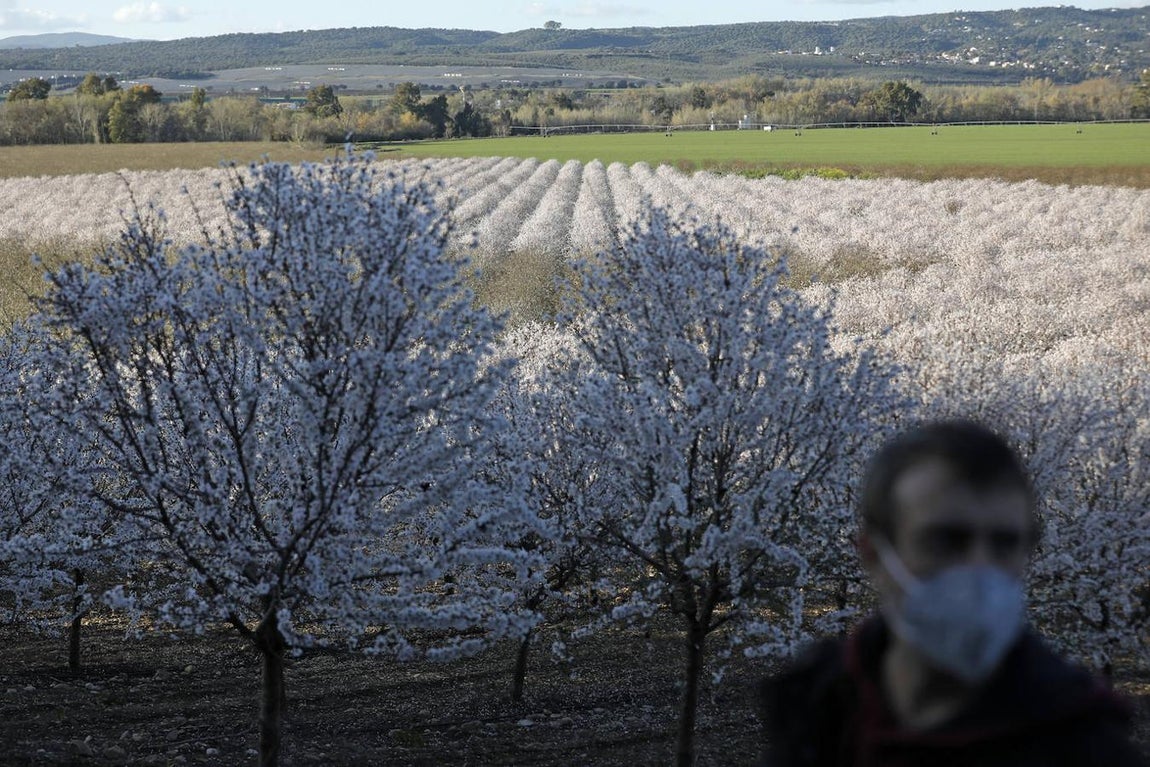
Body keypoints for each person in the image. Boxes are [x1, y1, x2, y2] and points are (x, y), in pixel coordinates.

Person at [759, 419, 1146, 766]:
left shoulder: (1086, 746)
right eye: (946, 541)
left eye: (1005, 544)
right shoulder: (817, 711)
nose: (980, 569)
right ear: (874, 555)